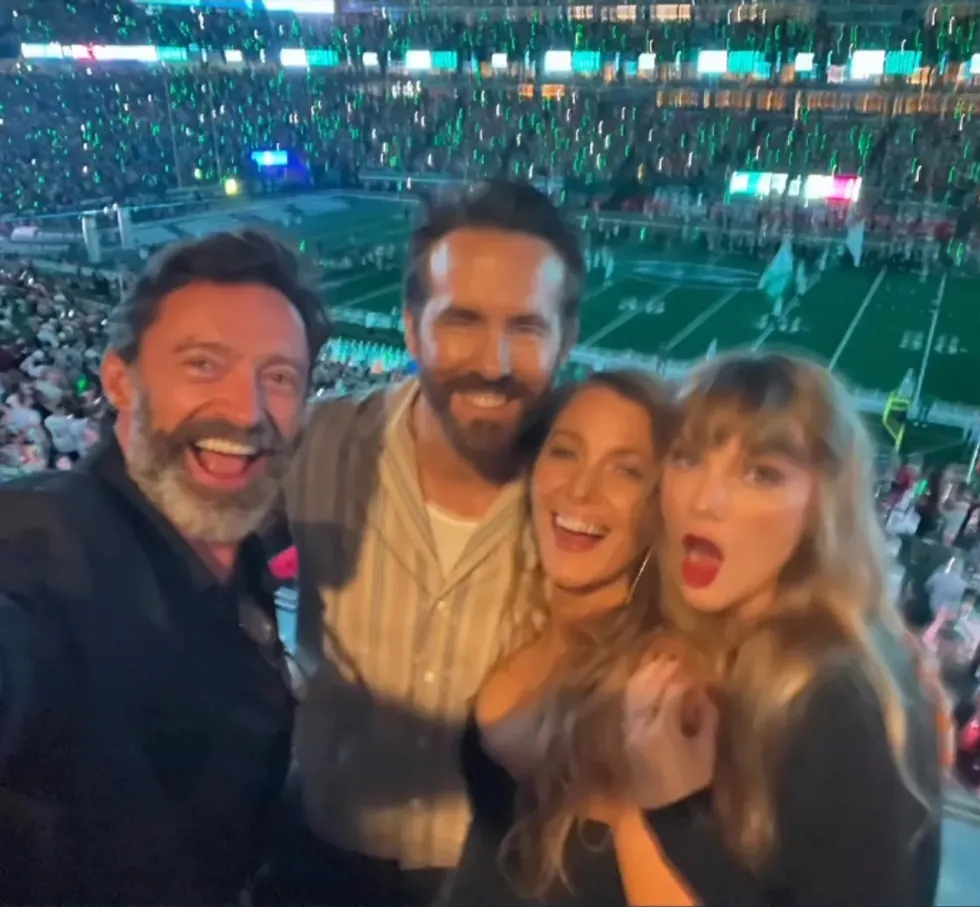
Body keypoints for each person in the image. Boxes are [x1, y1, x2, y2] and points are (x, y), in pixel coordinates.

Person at [277, 179, 584, 905]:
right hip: (321, 848)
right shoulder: (318, 445)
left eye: (528, 327)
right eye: (463, 320)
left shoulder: (597, 500)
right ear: (412, 327)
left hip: (501, 875)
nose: (495, 360)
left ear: (566, 340)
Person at [0, 229, 329, 904]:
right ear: (120, 378)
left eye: (279, 376)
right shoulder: (50, 546)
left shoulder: (243, 545)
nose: (247, 410)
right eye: (204, 363)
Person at [636, 352, 943, 906]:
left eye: (761, 473)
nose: (704, 500)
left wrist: (671, 809)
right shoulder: (745, 644)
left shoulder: (841, 698)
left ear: (821, 506)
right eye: (686, 458)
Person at [444, 371, 682, 905]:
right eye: (566, 453)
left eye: (626, 471)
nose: (580, 490)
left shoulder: (661, 684)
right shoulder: (524, 620)